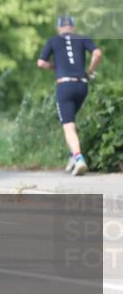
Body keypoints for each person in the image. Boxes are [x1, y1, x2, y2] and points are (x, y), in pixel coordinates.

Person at [37, 15, 102, 176]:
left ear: (59, 28)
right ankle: (72, 155)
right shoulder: (82, 38)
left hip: (64, 86)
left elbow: (41, 63)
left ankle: (79, 159)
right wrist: (90, 71)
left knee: (68, 125)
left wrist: (56, 66)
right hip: (82, 85)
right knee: (71, 120)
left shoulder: (53, 40)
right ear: (73, 27)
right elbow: (98, 53)